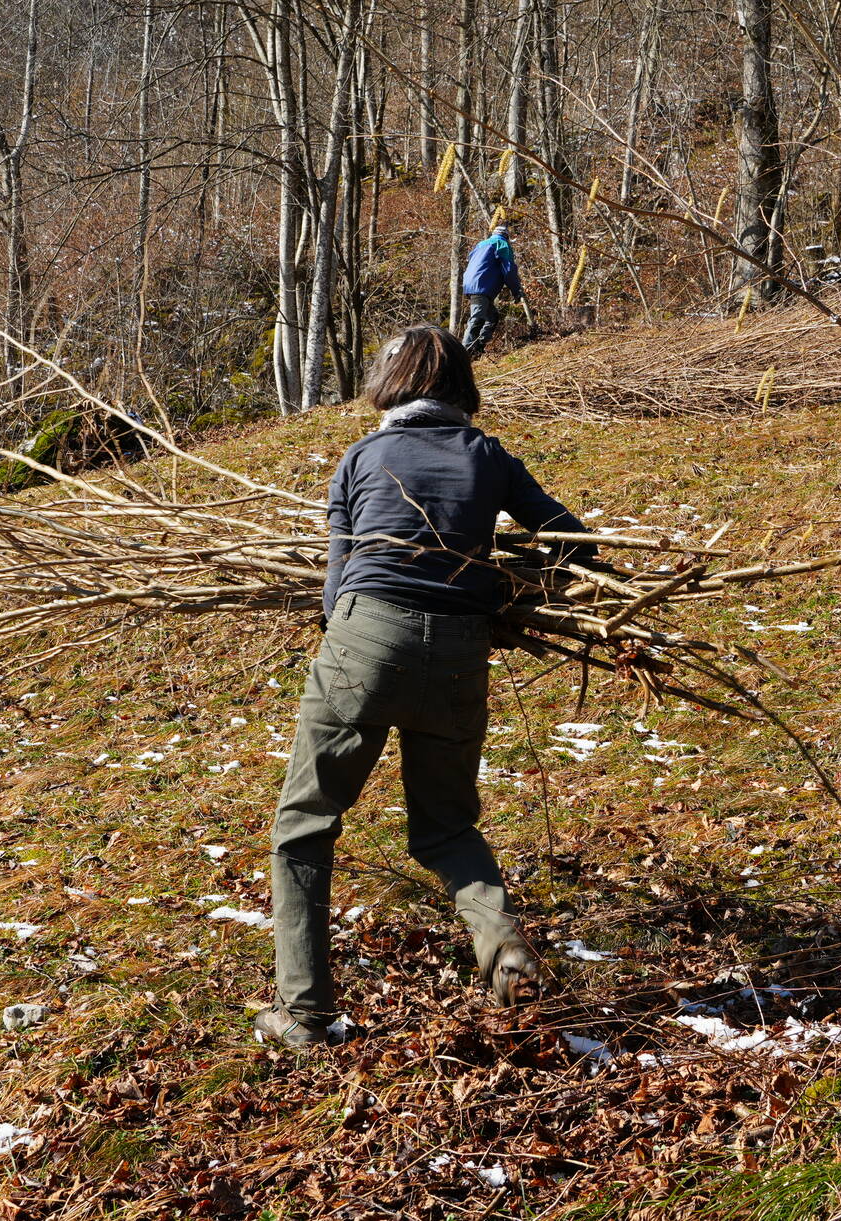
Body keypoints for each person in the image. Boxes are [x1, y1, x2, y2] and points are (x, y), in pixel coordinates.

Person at [254, 325, 593, 1048]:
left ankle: (304, 1012)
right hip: (460, 654)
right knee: (445, 827)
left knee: (304, 827)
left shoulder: (362, 456)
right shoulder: (489, 456)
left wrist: (357, 639)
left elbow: (335, 588)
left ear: (392, 383)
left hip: (364, 642)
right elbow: (575, 542)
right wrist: (511, 598)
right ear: (460, 386)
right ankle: (502, 949)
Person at [461, 224, 524, 357]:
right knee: (477, 319)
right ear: (506, 237)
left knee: (492, 317)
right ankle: (463, 354)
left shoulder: (480, 244)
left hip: (470, 283)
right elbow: (509, 270)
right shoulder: (502, 244)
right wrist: (516, 290)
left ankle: (477, 348)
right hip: (481, 286)